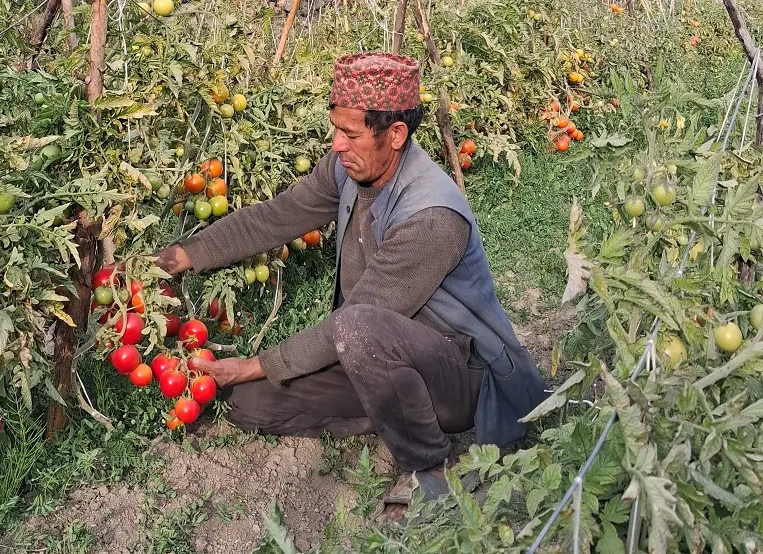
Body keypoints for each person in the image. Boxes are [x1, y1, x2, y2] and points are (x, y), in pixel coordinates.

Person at [153, 52, 548, 520]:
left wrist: (256, 362)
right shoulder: (348, 166)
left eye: (351, 134)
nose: (337, 145)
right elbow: (276, 218)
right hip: (377, 347)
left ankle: (427, 466)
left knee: (354, 330)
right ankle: (386, 406)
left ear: (396, 135)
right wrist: (180, 257)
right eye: (335, 130)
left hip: (459, 372)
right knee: (248, 401)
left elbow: (358, 315)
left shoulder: (431, 216)